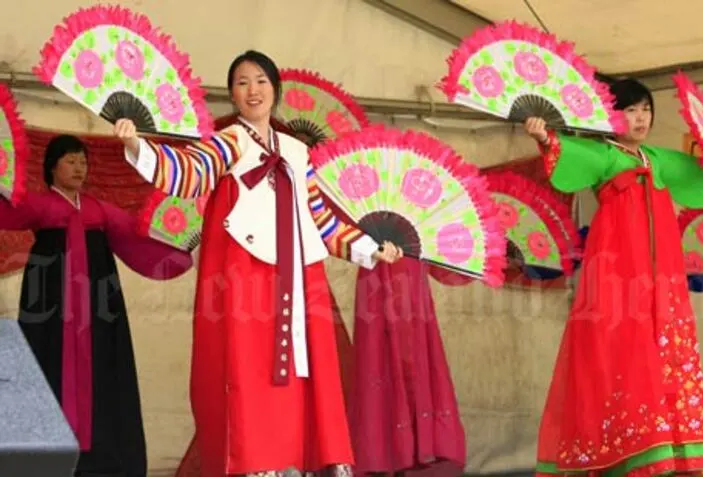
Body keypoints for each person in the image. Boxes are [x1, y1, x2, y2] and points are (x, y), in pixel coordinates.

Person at [114, 50, 403, 477]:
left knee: (306, 364)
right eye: (243, 82)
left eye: (262, 80)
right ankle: (254, 460)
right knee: (248, 368)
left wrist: (370, 247)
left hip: (300, 274)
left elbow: (320, 215)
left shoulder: (296, 151)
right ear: (232, 94)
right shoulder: (227, 141)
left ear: (275, 90)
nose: (254, 90)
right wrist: (136, 145)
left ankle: (302, 457)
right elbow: (189, 172)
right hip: (244, 272)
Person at [525, 79, 703, 476]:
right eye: (630, 110)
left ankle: (667, 451)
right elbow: (565, 152)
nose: (640, 118)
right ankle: (620, 452)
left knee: (664, 351)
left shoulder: (660, 159)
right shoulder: (604, 155)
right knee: (619, 348)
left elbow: (702, 175)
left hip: (663, 276)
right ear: (610, 114)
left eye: (645, 109)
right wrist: (544, 136)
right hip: (618, 270)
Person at [0, 134, 193, 477]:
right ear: (52, 167)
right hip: (51, 307)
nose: (79, 167)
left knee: (103, 371)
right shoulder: (42, 205)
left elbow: (138, 232)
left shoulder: (97, 209)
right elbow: (9, 210)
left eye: (83, 161)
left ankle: (102, 458)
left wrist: (180, 244)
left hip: (97, 309)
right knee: (48, 366)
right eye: (70, 161)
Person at [351, 258, 466, 477]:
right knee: (377, 358)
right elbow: (346, 237)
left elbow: (443, 252)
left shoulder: (424, 226)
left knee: (416, 357)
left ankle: (417, 451)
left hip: (413, 280)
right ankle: (385, 453)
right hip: (375, 277)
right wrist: (372, 248)